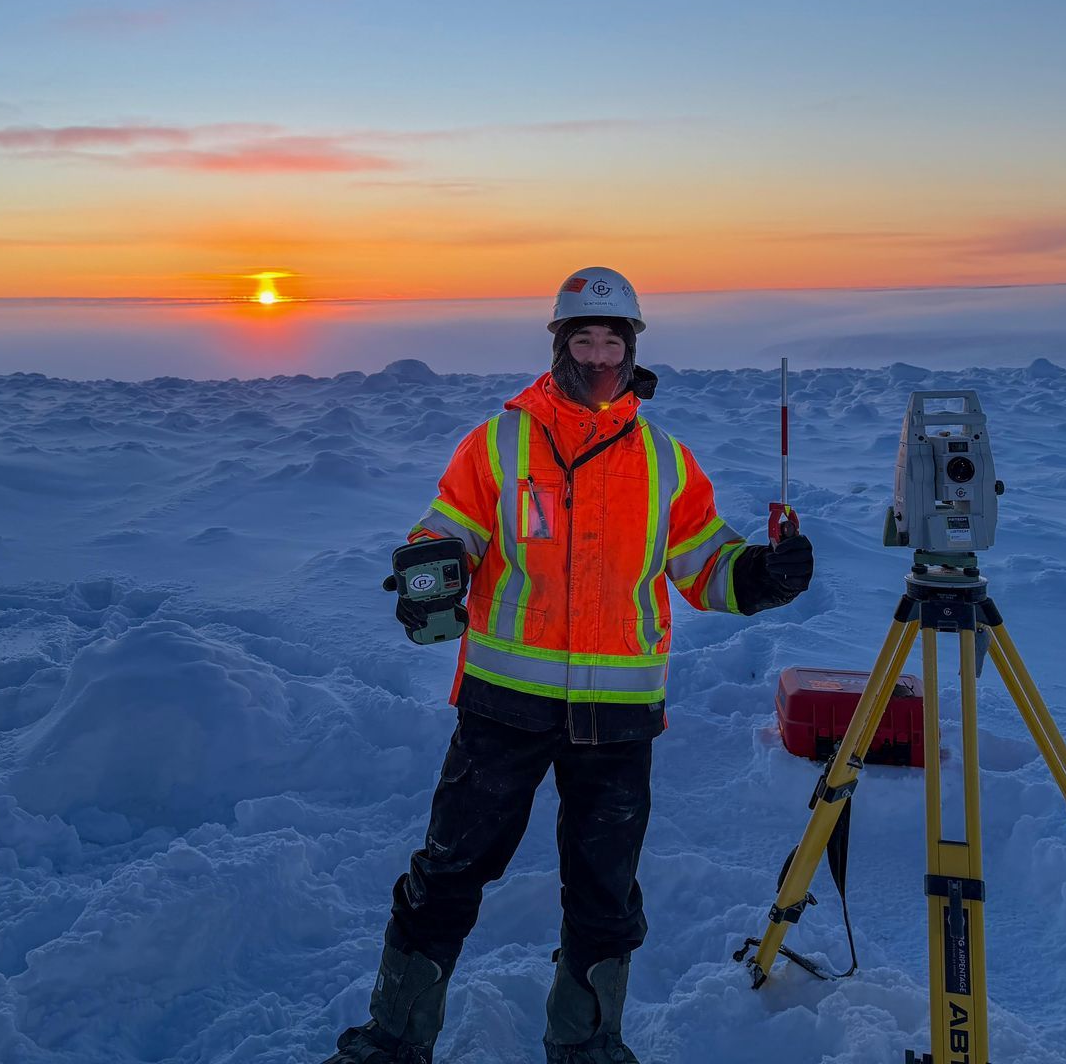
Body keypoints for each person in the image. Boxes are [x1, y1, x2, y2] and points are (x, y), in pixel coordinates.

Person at [322, 267, 815, 1064]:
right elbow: (446, 529)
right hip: (502, 709)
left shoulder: (664, 460)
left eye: (611, 339)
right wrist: (430, 570)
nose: (597, 354)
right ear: (558, 345)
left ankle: (586, 1044)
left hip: (616, 723)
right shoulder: (500, 441)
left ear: (632, 348)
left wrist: (761, 575)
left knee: (604, 895)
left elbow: (705, 565)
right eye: (581, 338)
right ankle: (394, 1037)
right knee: (447, 874)